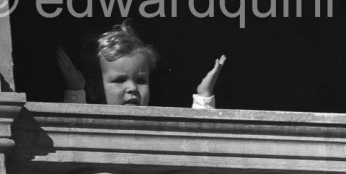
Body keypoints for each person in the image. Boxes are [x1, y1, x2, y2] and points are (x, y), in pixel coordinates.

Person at [57, 20, 226, 109]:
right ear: (93, 90)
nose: (132, 88)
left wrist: (203, 98)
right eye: (119, 80)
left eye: (141, 81)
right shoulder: (91, 126)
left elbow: (196, 145)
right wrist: (75, 91)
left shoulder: (154, 129)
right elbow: (73, 132)